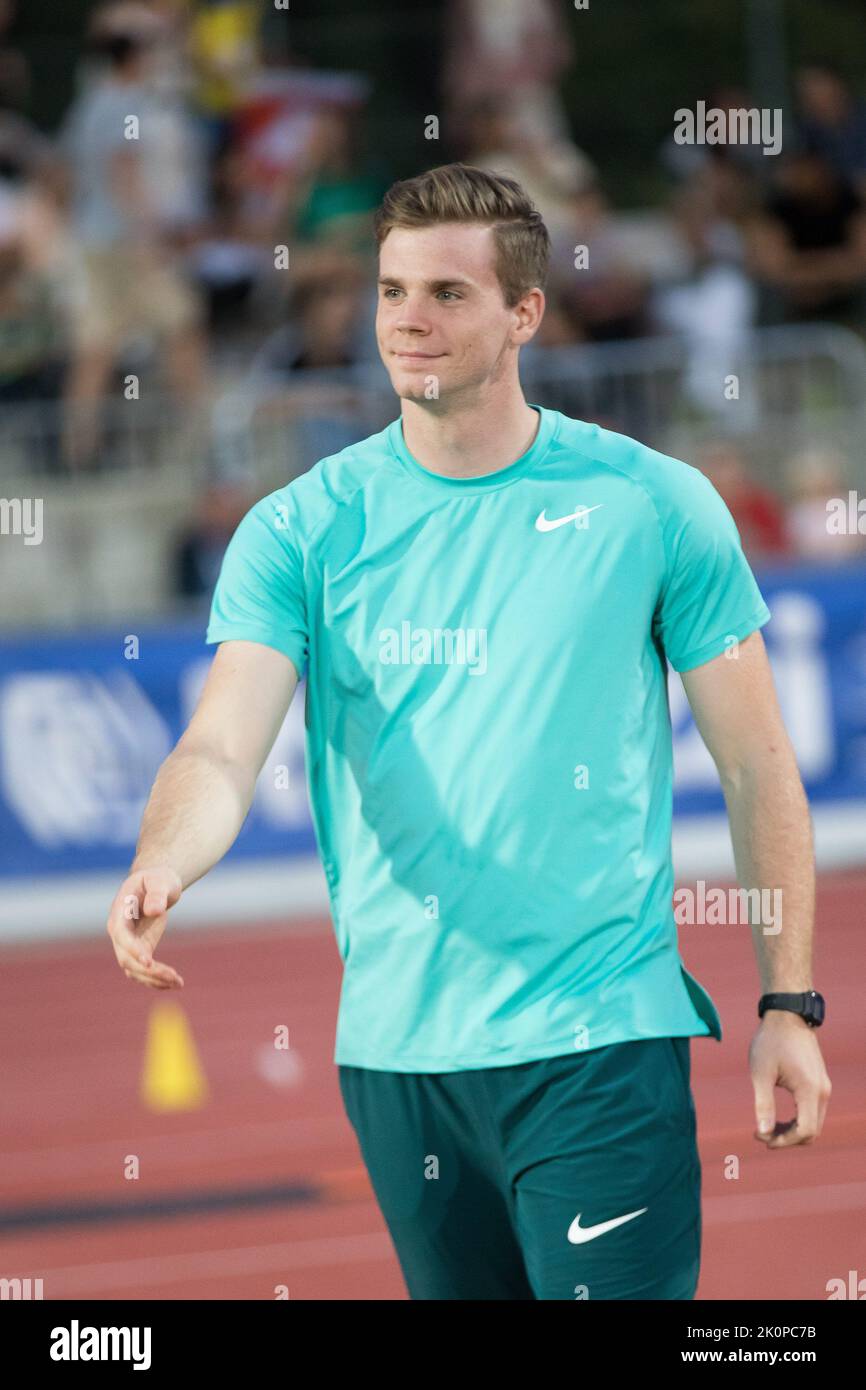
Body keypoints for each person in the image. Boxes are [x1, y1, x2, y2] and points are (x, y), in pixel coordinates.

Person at [107, 163, 831, 1301]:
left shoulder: (650, 504)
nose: (408, 319)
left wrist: (786, 1001)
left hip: (599, 1040)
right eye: (392, 290)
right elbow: (221, 744)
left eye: (447, 293)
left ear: (523, 313)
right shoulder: (298, 528)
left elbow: (755, 765)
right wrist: (166, 856)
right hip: (398, 1056)